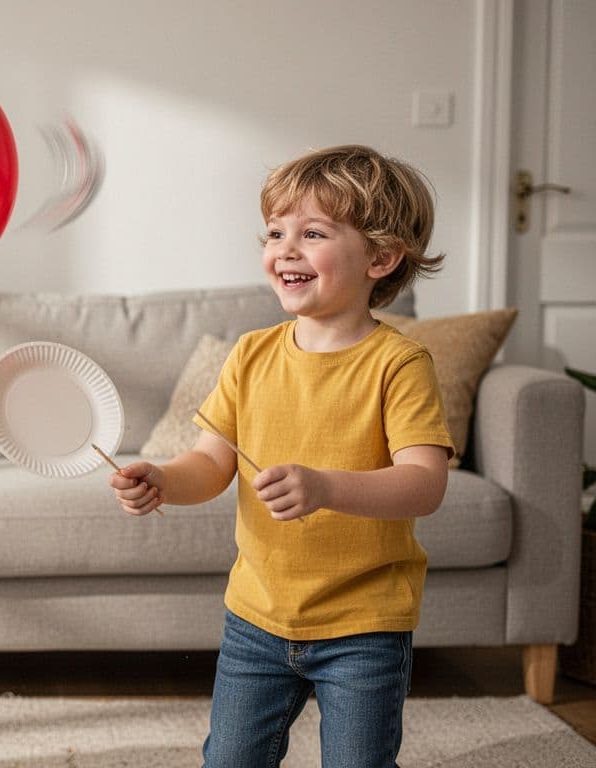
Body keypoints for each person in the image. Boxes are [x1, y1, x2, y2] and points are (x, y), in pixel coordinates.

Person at [110, 145, 454, 767]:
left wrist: (326, 488)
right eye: (275, 232)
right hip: (257, 616)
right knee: (231, 760)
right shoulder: (249, 354)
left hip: (364, 623)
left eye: (313, 233)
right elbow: (211, 464)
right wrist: (163, 478)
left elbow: (424, 483)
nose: (285, 249)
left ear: (380, 256)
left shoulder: (399, 364)